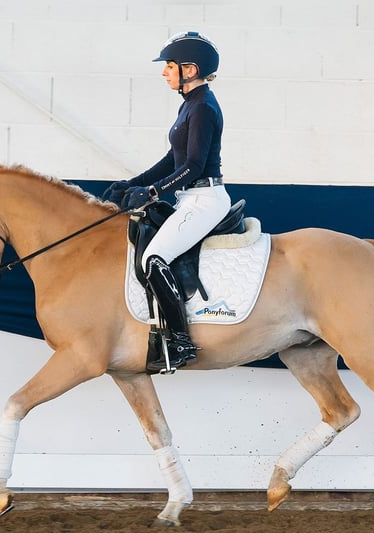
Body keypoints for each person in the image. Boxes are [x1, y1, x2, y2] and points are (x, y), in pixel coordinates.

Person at [104, 31, 231, 371]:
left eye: (170, 66)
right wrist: (134, 183)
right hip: (192, 197)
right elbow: (171, 160)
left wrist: (154, 192)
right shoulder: (190, 104)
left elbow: (191, 166)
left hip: (205, 198)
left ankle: (179, 342)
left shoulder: (203, 107)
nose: (164, 72)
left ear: (189, 69)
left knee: (155, 257)